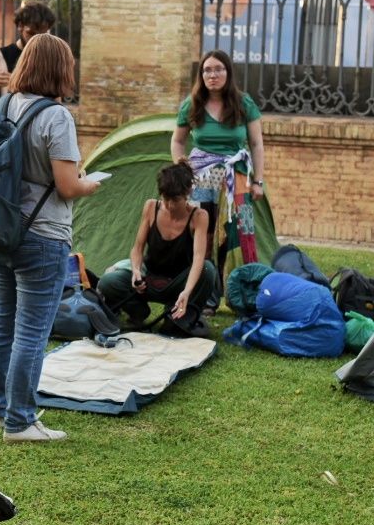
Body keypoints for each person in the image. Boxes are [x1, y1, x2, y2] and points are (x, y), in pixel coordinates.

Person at [0, 33, 100, 443]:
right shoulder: (56, 117)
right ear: (60, 70)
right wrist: (91, 184)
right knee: (32, 331)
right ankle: (20, 420)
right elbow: (67, 186)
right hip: (43, 236)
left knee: (3, 324)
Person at [169, 49, 266, 275]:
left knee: (240, 231)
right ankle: (205, 291)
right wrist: (182, 169)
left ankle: (238, 287)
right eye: (207, 70)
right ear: (201, 76)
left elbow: (256, 144)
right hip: (201, 178)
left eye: (218, 69)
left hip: (236, 176)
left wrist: (258, 181)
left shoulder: (244, 103)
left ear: (228, 73)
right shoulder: (191, 105)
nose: (213, 75)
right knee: (205, 232)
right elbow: (177, 141)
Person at [96, 162, 217, 336]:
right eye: (165, 198)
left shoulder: (198, 216)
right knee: (107, 282)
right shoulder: (151, 207)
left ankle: (179, 317)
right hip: (149, 279)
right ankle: (138, 311)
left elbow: (198, 258)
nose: (168, 205)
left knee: (208, 269)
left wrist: (187, 291)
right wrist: (136, 272)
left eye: (175, 200)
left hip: (178, 283)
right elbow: (137, 248)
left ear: (188, 193)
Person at [0, 1, 56, 111]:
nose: (36, 40)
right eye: (32, 33)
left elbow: (57, 105)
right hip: (9, 125)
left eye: (42, 35)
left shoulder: (51, 58)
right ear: (20, 26)